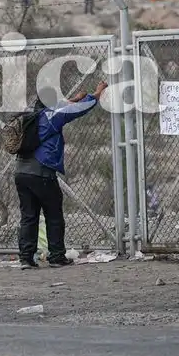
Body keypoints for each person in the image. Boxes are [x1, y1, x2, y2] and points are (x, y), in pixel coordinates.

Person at [15, 81, 107, 269]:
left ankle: (26, 258)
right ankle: (56, 256)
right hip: (42, 173)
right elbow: (80, 108)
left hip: (21, 172)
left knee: (29, 216)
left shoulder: (30, 116)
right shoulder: (52, 115)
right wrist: (98, 92)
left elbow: (64, 105)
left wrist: (75, 98)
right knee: (53, 214)